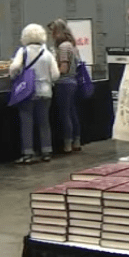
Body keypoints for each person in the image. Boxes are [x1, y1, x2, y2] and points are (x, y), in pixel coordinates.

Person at [10, 23, 60, 164]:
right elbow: (56, 74)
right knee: (44, 122)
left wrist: (14, 76)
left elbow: (14, 67)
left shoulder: (23, 51)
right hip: (45, 91)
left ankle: (28, 153)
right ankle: (46, 151)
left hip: (27, 92)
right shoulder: (48, 53)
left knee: (27, 122)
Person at [48, 19, 82, 153]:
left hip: (63, 83)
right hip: (73, 82)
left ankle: (67, 143)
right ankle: (77, 141)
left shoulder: (63, 47)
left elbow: (63, 68)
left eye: (52, 32)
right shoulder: (72, 46)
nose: (51, 35)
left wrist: (52, 69)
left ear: (58, 32)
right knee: (73, 113)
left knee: (65, 114)